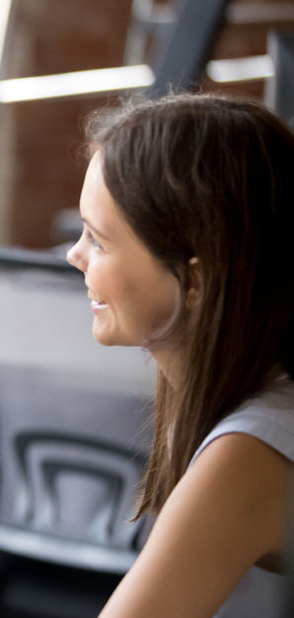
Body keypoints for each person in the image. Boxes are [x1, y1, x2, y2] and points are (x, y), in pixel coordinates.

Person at [65, 93, 294, 617]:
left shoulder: (249, 451)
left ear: (194, 279)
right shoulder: (235, 395)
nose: (74, 254)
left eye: (98, 241)